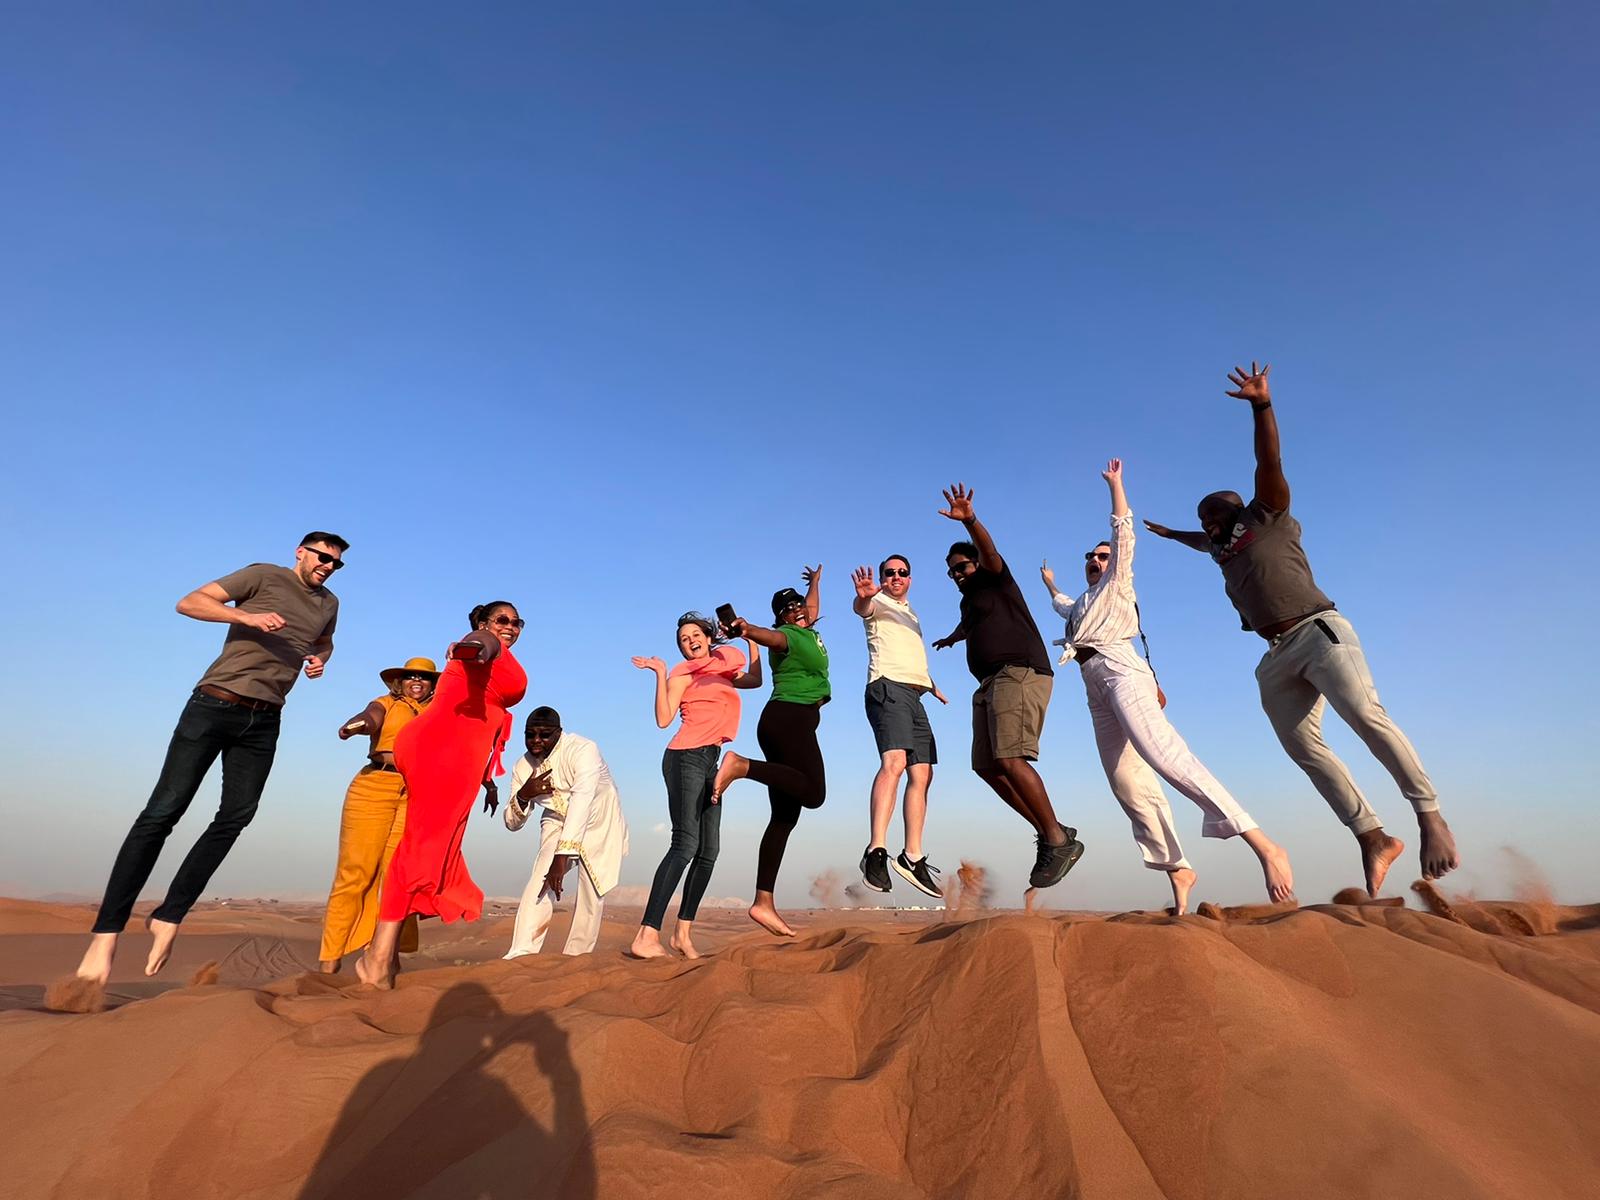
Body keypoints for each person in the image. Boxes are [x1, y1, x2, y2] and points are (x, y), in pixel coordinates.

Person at [1144, 362, 1459, 894]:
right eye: (1202, 518)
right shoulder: (1220, 546)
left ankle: (1429, 815)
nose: (1208, 522)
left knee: (1364, 716)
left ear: (1238, 506)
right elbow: (1202, 543)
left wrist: (1261, 406)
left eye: (1213, 513)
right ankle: (1373, 836)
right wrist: (1173, 533)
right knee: (1302, 746)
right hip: (1275, 653)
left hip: (1318, 632)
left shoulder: (1267, 514)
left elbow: (1269, 460)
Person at [75, 533, 345, 987]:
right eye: (323, 558)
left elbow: (325, 641)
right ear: (301, 552)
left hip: (264, 720)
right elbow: (190, 602)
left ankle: (169, 915)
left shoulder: (329, 603)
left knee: (236, 816)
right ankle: (106, 934)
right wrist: (247, 617)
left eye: (336, 564)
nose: (328, 567)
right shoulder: (264, 576)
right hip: (214, 705)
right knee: (162, 813)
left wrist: (319, 658)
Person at [1039, 459, 1295, 913]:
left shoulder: (1119, 582)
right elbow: (1064, 608)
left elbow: (1123, 532)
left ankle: (1264, 845)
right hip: (1092, 682)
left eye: (1101, 557)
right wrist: (1051, 585)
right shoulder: (1082, 602)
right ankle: (1177, 868)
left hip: (1122, 672)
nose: (1096, 562)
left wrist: (1116, 486)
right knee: (1126, 783)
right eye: (1091, 559)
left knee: (1165, 755)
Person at [355, 601, 527, 988]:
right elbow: (479, 645)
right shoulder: (485, 646)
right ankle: (378, 960)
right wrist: (473, 645)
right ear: (484, 623)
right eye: (502, 620)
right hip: (442, 750)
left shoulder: (500, 660)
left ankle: (387, 956)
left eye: (517, 623)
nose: (510, 627)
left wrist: (487, 779)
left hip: (458, 756)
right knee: (421, 847)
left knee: (429, 846)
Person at [932, 485, 1085, 889]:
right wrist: (953, 637)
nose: (956, 576)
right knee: (985, 765)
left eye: (961, 567)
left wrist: (970, 521)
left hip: (1018, 672)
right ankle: (1054, 831)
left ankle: (1055, 838)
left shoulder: (996, 578)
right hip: (987, 682)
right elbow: (971, 622)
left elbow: (991, 552)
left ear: (976, 564)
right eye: (951, 572)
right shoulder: (969, 600)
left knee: (1012, 758)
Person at [628, 613, 764, 959]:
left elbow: (756, 680)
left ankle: (682, 935)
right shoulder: (682, 673)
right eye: (683, 638)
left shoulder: (723, 667)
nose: (689, 640)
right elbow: (663, 719)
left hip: (712, 761)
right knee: (685, 843)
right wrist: (660, 674)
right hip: (684, 757)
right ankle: (646, 934)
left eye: (694, 634)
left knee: (708, 852)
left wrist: (749, 637)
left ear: (707, 636)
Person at [711, 568, 829, 937]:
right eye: (788, 608)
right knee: (814, 793)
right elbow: (771, 636)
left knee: (783, 818)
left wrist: (814, 584)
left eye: (798, 604)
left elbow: (809, 607)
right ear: (781, 617)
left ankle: (763, 901)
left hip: (784, 721)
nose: (797, 609)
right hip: (789, 720)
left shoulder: (807, 628)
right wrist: (746, 630)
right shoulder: (790, 636)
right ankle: (742, 766)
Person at [316, 656, 438, 972]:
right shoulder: (387, 703)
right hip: (374, 785)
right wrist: (357, 725)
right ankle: (330, 961)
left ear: (432, 684)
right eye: (411, 676)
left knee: (398, 876)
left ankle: (383, 958)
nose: (417, 681)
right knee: (354, 872)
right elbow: (371, 716)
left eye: (424, 678)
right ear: (400, 681)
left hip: (416, 792)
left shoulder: (439, 711)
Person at [851, 556, 948, 898]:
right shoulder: (876, 601)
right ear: (881, 578)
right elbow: (861, 607)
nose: (895, 577)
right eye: (889, 573)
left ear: (910, 578)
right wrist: (865, 595)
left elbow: (907, 654)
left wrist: (929, 683)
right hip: (887, 687)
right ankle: (876, 851)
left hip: (914, 693)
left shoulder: (911, 613)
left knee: (922, 774)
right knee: (894, 763)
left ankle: (912, 856)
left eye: (901, 573)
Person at [502, 708, 631, 959]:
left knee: (592, 889)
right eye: (530, 735)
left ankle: (577, 956)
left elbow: (583, 798)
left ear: (559, 733)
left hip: (598, 816)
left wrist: (563, 855)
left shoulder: (583, 749)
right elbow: (511, 823)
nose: (536, 741)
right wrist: (524, 794)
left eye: (544, 735)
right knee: (541, 878)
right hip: (556, 820)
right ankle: (521, 953)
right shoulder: (523, 766)